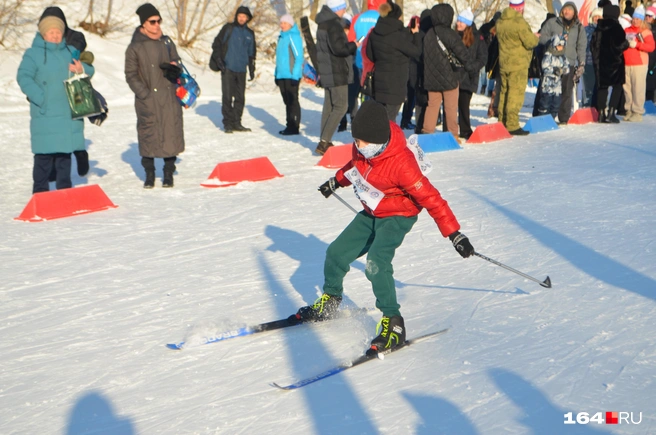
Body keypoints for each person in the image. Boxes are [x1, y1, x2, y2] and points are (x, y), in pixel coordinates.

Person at [291, 100, 475, 353]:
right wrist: (336, 181)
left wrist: (454, 234)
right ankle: (331, 300)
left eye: (364, 142)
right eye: (356, 140)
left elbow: (432, 198)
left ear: (379, 140)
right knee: (336, 253)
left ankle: (394, 323)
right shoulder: (363, 149)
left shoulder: (402, 164)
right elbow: (355, 166)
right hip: (372, 210)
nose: (359, 146)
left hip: (398, 215)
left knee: (376, 263)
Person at [17, 14, 94, 194]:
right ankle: (40, 193)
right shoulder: (33, 54)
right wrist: (40, 97)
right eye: (51, 32)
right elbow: (23, 77)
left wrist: (81, 68)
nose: (55, 35)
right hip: (44, 114)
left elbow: (90, 70)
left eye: (58, 32)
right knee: (43, 158)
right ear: (43, 34)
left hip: (66, 114)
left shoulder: (69, 51)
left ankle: (64, 193)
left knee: (63, 158)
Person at [125, 3, 184, 188]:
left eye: (159, 21)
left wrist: (175, 69)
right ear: (144, 24)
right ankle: (149, 175)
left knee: (170, 134)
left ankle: (168, 174)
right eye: (152, 21)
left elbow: (178, 61)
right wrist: (144, 94)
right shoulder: (135, 47)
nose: (157, 25)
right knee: (148, 135)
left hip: (168, 97)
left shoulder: (167, 42)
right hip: (148, 100)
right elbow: (130, 74)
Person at [38, 7, 93, 178]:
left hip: (73, 91)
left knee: (73, 129)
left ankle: (80, 153)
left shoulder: (75, 41)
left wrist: (81, 68)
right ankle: (54, 164)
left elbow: (89, 66)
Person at [421, 4, 473, 140]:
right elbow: (462, 54)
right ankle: (452, 135)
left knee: (432, 106)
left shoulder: (428, 34)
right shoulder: (451, 34)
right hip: (450, 77)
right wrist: (469, 66)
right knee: (450, 107)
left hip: (431, 78)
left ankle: (427, 133)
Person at [314, 0, 357, 155]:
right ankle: (324, 142)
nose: (344, 9)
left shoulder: (322, 23)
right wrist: (353, 45)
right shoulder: (333, 25)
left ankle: (324, 140)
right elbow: (339, 49)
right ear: (337, 8)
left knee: (329, 105)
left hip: (327, 70)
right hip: (336, 70)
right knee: (341, 106)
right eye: (343, 6)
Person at [366, 1, 421, 121]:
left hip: (379, 82)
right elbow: (416, 52)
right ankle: (386, 139)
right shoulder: (398, 36)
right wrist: (416, 34)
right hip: (395, 84)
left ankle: (380, 138)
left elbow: (370, 55)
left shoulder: (375, 32)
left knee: (382, 116)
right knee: (390, 119)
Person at [536, 2, 586, 124]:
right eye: (565, 9)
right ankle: (544, 116)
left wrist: (581, 63)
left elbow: (581, 46)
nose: (567, 12)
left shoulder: (579, 27)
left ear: (574, 12)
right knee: (547, 91)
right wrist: (554, 40)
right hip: (553, 62)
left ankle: (563, 118)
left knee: (566, 92)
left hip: (569, 63)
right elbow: (541, 38)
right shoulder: (552, 23)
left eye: (570, 10)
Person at [495, 0, 539, 135]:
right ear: (520, 8)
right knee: (516, 94)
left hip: (504, 63)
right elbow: (530, 42)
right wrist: (536, 37)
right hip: (518, 64)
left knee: (504, 92)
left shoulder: (500, 22)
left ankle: (502, 121)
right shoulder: (519, 22)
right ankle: (512, 124)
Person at [210, 6, 256, 133]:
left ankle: (237, 122)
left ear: (247, 19)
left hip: (242, 69)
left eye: (244, 16)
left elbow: (252, 53)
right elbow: (216, 44)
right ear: (236, 17)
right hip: (228, 68)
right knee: (227, 97)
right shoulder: (228, 28)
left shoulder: (250, 34)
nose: (241, 18)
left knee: (240, 98)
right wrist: (219, 60)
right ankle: (228, 123)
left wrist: (252, 69)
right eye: (239, 16)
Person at [591, 4, 629, 123]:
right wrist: (626, 44)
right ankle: (611, 113)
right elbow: (620, 44)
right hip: (615, 63)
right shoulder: (617, 27)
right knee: (617, 87)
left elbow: (593, 45)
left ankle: (601, 113)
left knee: (602, 87)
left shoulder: (598, 27)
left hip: (601, 62)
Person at [456, 8, 488, 140]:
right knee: (453, 105)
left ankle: (465, 129)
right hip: (455, 75)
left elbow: (482, 57)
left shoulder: (477, 38)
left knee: (464, 104)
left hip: (469, 77)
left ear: (467, 24)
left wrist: (472, 67)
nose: (458, 23)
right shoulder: (454, 35)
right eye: (458, 20)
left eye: (461, 22)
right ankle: (453, 129)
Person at [622, 5, 655, 122]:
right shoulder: (627, 30)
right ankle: (629, 109)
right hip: (626, 63)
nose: (635, 20)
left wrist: (637, 45)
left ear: (641, 20)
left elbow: (651, 47)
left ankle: (637, 111)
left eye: (638, 19)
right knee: (627, 88)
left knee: (638, 88)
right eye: (634, 18)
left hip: (640, 63)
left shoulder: (645, 31)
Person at [274, 14, 303, 136]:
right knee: (287, 101)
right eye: (281, 23)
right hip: (282, 75)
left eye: (285, 23)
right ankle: (289, 125)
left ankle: (294, 126)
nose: (282, 25)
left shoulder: (293, 36)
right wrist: (276, 74)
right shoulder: (281, 37)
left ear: (290, 24)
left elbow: (299, 57)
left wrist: (295, 75)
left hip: (291, 76)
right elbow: (279, 59)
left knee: (293, 101)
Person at [537, 35, 570, 119]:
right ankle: (542, 118)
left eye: (562, 46)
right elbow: (545, 66)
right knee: (545, 103)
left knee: (556, 103)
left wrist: (563, 70)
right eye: (559, 45)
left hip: (557, 85)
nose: (560, 48)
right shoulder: (548, 55)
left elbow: (567, 67)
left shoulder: (563, 57)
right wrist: (554, 70)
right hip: (548, 84)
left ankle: (552, 118)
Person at [582, 8, 604, 107]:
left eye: (599, 17)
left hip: (601, 62)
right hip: (588, 61)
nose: (597, 19)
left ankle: (597, 105)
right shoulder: (586, 29)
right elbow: (582, 45)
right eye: (595, 16)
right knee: (588, 86)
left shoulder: (604, 30)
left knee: (599, 86)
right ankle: (587, 104)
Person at [645, 6, 656, 102]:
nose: (647, 18)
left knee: (651, 84)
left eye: (650, 16)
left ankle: (650, 103)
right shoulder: (643, 28)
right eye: (646, 15)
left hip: (653, 60)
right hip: (644, 58)